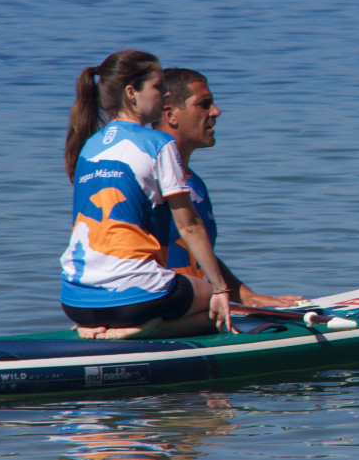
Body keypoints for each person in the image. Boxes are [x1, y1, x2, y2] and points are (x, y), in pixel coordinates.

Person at [60, 50, 236, 340]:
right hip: (133, 299)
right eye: (158, 86)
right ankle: (146, 329)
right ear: (132, 93)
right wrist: (220, 289)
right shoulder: (158, 143)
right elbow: (189, 226)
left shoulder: (88, 146)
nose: (165, 94)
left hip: (75, 300)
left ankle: (98, 325)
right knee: (215, 308)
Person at [154, 67, 301, 308]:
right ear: (171, 114)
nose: (216, 111)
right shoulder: (147, 180)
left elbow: (198, 255)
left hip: (196, 307)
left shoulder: (194, 182)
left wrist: (245, 295)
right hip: (160, 310)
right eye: (204, 104)